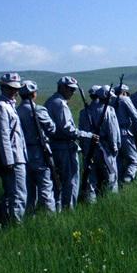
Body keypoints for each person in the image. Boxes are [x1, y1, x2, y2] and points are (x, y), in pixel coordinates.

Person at [45, 76, 95, 209]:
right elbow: (67, 128)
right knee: (71, 181)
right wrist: (87, 135)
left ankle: (58, 208)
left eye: (73, 90)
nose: (72, 93)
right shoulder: (60, 103)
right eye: (70, 89)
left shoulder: (50, 101)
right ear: (62, 87)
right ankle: (69, 209)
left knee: (58, 181)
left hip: (54, 146)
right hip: (65, 147)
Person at [0, 72, 28, 223]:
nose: (15, 91)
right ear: (3, 88)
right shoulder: (1, 107)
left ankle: (7, 221)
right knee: (18, 193)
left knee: (12, 193)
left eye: (16, 88)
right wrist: (8, 161)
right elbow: (3, 136)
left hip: (17, 156)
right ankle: (16, 224)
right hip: (13, 158)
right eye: (11, 88)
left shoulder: (8, 106)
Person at [17, 80, 57, 214]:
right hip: (39, 152)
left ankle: (29, 216)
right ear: (33, 94)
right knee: (46, 187)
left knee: (28, 189)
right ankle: (50, 216)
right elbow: (52, 128)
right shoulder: (39, 110)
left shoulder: (17, 111)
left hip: (23, 153)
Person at [80, 85, 121, 198]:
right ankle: (112, 201)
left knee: (91, 178)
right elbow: (112, 131)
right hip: (105, 148)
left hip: (89, 149)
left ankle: (90, 201)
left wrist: (84, 149)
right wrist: (115, 147)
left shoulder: (84, 111)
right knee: (111, 177)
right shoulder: (109, 110)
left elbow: (81, 133)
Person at [113, 84, 137, 185]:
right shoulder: (125, 100)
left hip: (113, 134)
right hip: (125, 133)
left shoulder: (110, 101)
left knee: (118, 160)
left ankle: (118, 181)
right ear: (124, 92)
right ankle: (127, 180)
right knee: (134, 161)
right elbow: (135, 116)